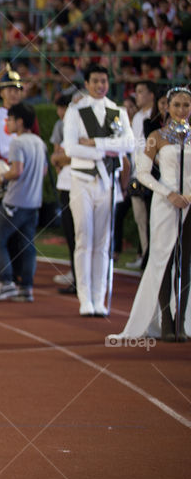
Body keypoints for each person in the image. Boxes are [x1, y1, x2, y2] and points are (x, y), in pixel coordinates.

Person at [109, 87, 191, 342]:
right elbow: (142, 173)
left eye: (186, 105)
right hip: (166, 204)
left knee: (186, 263)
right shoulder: (157, 136)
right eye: (176, 105)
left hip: (190, 205)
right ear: (167, 107)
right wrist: (169, 194)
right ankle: (166, 322)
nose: (181, 110)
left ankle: (182, 322)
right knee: (163, 260)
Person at [62, 64, 134, 316]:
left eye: (104, 81)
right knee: (84, 239)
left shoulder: (118, 111)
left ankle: (99, 297)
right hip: (82, 181)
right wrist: (108, 149)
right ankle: (85, 298)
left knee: (103, 242)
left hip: (108, 183)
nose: (100, 85)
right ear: (88, 83)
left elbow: (129, 143)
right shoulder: (76, 110)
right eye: (95, 81)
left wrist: (95, 142)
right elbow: (70, 149)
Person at [0, 65, 39, 284]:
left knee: (23, 232)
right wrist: (3, 171)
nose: (14, 92)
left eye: (17, 89)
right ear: (1, 92)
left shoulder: (29, 114)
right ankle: (4, 274)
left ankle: (21, 274)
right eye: (9, 88)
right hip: (1, 174)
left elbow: (36, 144)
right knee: (0, 227)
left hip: (23, 177)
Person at [0, 103, 48, 303]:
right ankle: (26, 287)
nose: (8, 123)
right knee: (28, 244)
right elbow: (44, 171)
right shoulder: (40, 142)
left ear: (19, 122)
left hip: (15, 201)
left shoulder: (17, 143)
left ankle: (5, 282)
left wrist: (1, 177)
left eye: (10, 119)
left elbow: (16, 171)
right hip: (34, 202)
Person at [50, 93, 79, 293]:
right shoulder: (61, 126)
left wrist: (66, 157)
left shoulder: (79, 125)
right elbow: (56, 157)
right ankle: (77, 274)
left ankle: (80, 278)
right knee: (72, 234)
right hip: (67, 184)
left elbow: (69, 155)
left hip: (80, 185)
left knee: (81, 235)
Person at [128, 80, 157, 269]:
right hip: (136, 174)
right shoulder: (137, 117)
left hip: (151, 176)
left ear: (151, 95)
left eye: (140, 91)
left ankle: (150, 259)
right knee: (140, 218)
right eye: (136, 91)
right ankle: (145, 255)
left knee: (151, 219)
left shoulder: (155, 117)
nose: (137, 95)